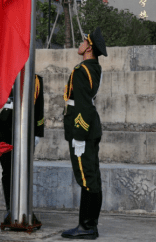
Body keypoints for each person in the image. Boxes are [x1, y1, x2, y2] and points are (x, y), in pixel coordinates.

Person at [61, 28, 107, 240]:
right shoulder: (94, 67)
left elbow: (83, 106)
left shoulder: (81, 70)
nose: (79, 44)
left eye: (83, 42)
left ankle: (87, 226)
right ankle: (90, 225)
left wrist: (78, 135)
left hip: (83, 130)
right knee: (93, 176)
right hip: (91, 128)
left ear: (89, 48)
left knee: (87, 178)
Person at [0, 74, 45, 223]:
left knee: (24, 170)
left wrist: (38, 132)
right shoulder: (6, 74)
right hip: (6, 125)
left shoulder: (35, 79)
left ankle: (24, 208)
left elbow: (39, 106)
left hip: (26, 125)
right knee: (7, 170)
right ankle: (10, 208)